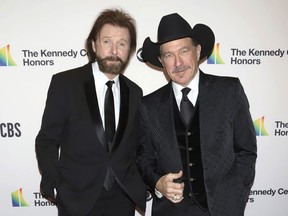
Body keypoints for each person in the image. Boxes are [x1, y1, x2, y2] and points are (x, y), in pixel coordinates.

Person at [136, 13, 257, 216]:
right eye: (168, 55)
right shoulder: (148, 105)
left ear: (198, 50)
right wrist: (158, 183)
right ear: (161, 60)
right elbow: (143, 158)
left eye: (184, 51)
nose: (178, 62)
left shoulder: (229, 91)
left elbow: (246, 152)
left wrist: (233, 201)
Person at [35, 8, 146, 216]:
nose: (114, 50)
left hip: (122, 200)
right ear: (94, 45)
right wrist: (56, 184)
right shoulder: (65, 84)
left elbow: (137, 147)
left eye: (122, 43)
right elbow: (47, 140)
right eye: (107, 42)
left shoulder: (135, 92)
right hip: (77, 200)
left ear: (129, 49)